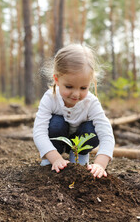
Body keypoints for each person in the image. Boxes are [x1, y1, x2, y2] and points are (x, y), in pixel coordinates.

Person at [33, 43, 115, 179]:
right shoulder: (50, 98)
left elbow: (106, 135)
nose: (76, 94)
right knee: (56, 124)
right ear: (57, 79)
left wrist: (100, 164)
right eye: (69, 86)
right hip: (57, 140)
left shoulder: (91, 102)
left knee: (92, 129)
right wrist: (55, 158)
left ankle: (80, 156)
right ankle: (52, 160)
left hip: (80, 142)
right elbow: (39, 131)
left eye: (83, 88)